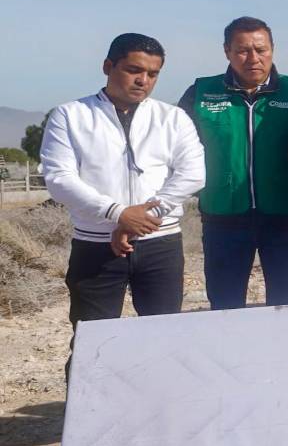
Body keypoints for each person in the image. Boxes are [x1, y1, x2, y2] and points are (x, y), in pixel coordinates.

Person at [41, 33, 206, 337]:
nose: (143, 80)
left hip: (161, 244)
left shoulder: (173, 118)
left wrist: (141, 218)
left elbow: (193, 174)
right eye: (134, 70)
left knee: (164, 339)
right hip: (96, 246)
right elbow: (59, 178)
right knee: (92, 344)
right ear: (108, 66)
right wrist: (117, 213)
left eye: (153, 74)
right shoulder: (70, 115)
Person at [178, 17, 288, 309]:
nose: (253, 58)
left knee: (286, 302)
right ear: (227, 51)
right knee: (225, 304)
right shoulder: (201, 93)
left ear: (273, 49)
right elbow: (173, 149)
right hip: (224, 215)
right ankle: (229, 355)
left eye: (261, 49)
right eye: (242, 50)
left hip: (286, 214)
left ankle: (283, 354)